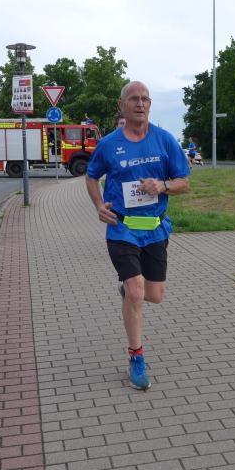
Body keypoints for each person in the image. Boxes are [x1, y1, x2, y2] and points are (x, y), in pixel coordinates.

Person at [85, 81, 190, 390]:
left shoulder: (165, 140)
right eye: (134, 99)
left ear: (150, 104)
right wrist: (98, 204)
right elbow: (91, 177)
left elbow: (184, 181)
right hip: (122, 228)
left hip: (154, 228)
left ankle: (130, 292)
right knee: (136, 289)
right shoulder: (109, 144)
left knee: (154, 296)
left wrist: (163, 185)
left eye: (145, 99)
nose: (140, 103)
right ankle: (136, 357)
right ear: (122, 106)